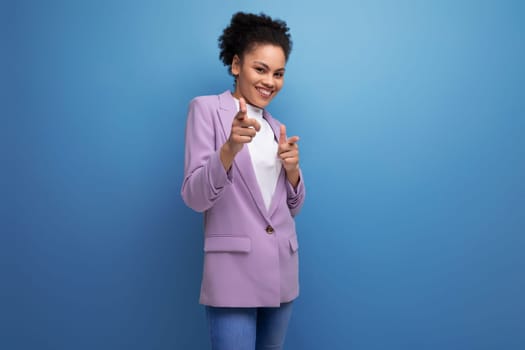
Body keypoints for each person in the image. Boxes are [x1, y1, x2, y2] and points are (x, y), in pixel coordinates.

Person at [181, 11, 305, 350]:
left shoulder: (274, 126)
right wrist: (229, 149)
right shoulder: (206, 110)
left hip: (282, 269)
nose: (270, 81)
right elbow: (194, 197)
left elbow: (291, 208)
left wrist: (293, 172)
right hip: (232, 272)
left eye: (278, 73)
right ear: (236, 65)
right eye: (260, 69)